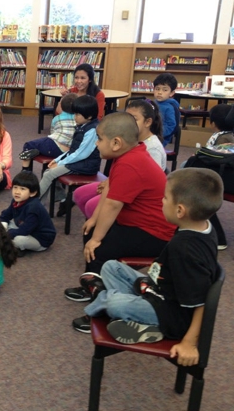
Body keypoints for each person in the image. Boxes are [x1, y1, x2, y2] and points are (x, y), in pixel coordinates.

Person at [74, 168, 222, 365]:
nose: (161, 201)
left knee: (113, 302)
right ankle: (129, 313)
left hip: (169, 315)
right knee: (111, 267)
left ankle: (107, 305)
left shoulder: (185, 249)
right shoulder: (201, 226)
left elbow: (200, 301)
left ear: (180, 210)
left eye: (165, 198)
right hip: (157, 289)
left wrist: (189, 342)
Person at [64, 112, 176, 307]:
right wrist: (94, 219)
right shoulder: (128, 155)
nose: (97, 143)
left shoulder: (131, 164)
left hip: (156, 233)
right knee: (90, 232)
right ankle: (91, 287)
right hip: (139, 223)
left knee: (99, 248)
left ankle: (102, 305)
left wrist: (97, 239)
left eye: (99, 139)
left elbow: (114, 204)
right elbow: (109, 189)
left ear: (116, 143)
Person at [73, 99, 167, 219]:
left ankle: (102, 229)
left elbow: (143, 182)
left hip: (136, 195)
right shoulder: (129, 140)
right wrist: (109, 182)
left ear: (148, 122)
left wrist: (111, 185)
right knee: (80, 194)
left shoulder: (153, 148)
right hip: (118, 181)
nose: (128, 122)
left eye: (134, 119)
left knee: (92, 206)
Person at [183, 103, 234, 250]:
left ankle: (217, 236)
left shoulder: (224, 137)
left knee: (194, 182)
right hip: (224, 171)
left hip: (224, 175)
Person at [38, 95, 101, 207]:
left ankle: (33, 205)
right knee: (47, 171)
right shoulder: (82, 125)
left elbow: (81, 154)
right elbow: (73, 149)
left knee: (49, 175)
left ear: (89, 116)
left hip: (85, 165)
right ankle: (62, 200)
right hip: (78, 162)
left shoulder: (92, 130)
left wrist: (60, 163)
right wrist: (57, 159)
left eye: (77, 114)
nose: (74, 117)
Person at [0, 171, 56, 256]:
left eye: (22, 189)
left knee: (19, 240)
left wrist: (4, 235)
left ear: (33, 193)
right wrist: (1, 225)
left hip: (40, 239)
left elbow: (25, 230)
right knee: (1, 225)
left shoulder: (34, 208)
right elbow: (5, 215)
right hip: (26, 228)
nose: (17, 192)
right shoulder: (16, 200)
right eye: (15, 187)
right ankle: (8, 244)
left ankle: (17, 248)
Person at [18, 93, 78, 170]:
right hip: (70, 151)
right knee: (44, 145)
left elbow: (52, 133)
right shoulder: (79, 119)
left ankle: (25, 171)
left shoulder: (57, 118)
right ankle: (39, 151)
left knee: (28, 145)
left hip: (55, 146)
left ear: (61, 106)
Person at [153, 72, 180, 146]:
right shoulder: (153, 103)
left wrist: (156, 134)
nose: (160, 92)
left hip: (161, 137)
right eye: (157, 89)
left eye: (165, 90)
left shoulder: (170, 107)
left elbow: (171, 126)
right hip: (150, 133)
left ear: (171, 93)